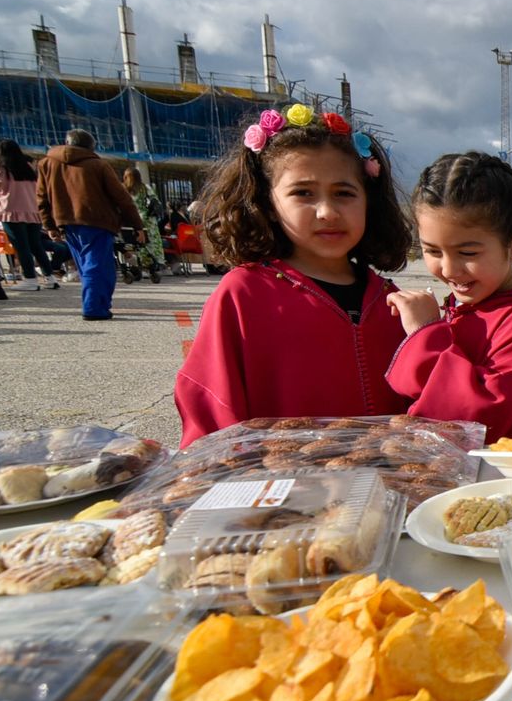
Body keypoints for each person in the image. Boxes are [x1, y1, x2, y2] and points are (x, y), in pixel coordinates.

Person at [174, 104, 413, 446]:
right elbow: (211, 408)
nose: (328, 212)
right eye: (303, 193)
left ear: (368, 201)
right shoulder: (244, 295)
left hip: (386, 484)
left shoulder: (392, 299)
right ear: (268, 204)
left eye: (344, 193)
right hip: (281, 488)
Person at [385, 152, 512, 442]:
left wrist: (425, 335)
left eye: (468, 253)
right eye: (433, 251)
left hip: (495, 479)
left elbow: (479, 419)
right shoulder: (464, 306)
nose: (448, 269)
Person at [34, 129, 144, 319]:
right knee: (99, 266)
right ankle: (94, 308)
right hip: (97, 221)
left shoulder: (47, 164)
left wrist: (50, 225)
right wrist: (137, 226)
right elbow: (122, 198)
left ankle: (98, 305)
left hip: (67, 222)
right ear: (91, 147)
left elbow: (41, 198)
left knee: (86, 267)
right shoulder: (98, 165)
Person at [0, 139, 61, 290]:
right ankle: (50, 277)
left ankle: (30, 279)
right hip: (33, 212)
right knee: (36, 245)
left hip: (11, 212)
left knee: (21, 246)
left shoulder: (2, 169)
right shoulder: (28, 170)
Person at [120, 168, 167, 284]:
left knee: (130, 243)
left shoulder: (123, 189)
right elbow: (155, 201)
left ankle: (137, 265)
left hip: (129, 220)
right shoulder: (144, 188)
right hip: (145, 220)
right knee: (147, 244)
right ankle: (150, 265)